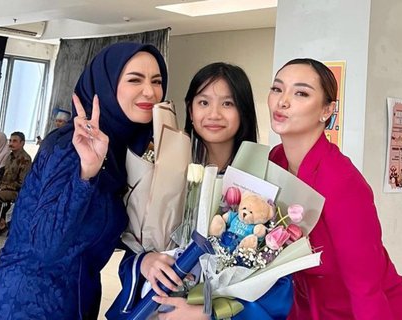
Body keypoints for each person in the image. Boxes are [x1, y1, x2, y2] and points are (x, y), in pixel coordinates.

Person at [0, 42, 167, 319]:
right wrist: (85, 174)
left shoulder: (117, 152)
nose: (149, 91)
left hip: (74, 299)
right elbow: (45, 245)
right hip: (27, 302)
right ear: (106, 84)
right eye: (134, 80)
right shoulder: (73, 147)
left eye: (157, 81)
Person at [107, 62, 291, 320]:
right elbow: (136, 246)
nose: (214, 114)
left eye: (227, 104)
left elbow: (278, 280)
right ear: (190, 111)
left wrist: (209, 313)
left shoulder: (262, 187)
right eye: (203, 103)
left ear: (244, 112)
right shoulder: (165, 175)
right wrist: (146, 262)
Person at [267, 58, 402, 319]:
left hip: (361, 309)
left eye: (300, 93)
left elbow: (365, 288)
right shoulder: (275, 159)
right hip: (306, 307)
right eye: (277, 89)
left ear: (327, 110)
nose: (283, 101)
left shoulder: (342, 181)